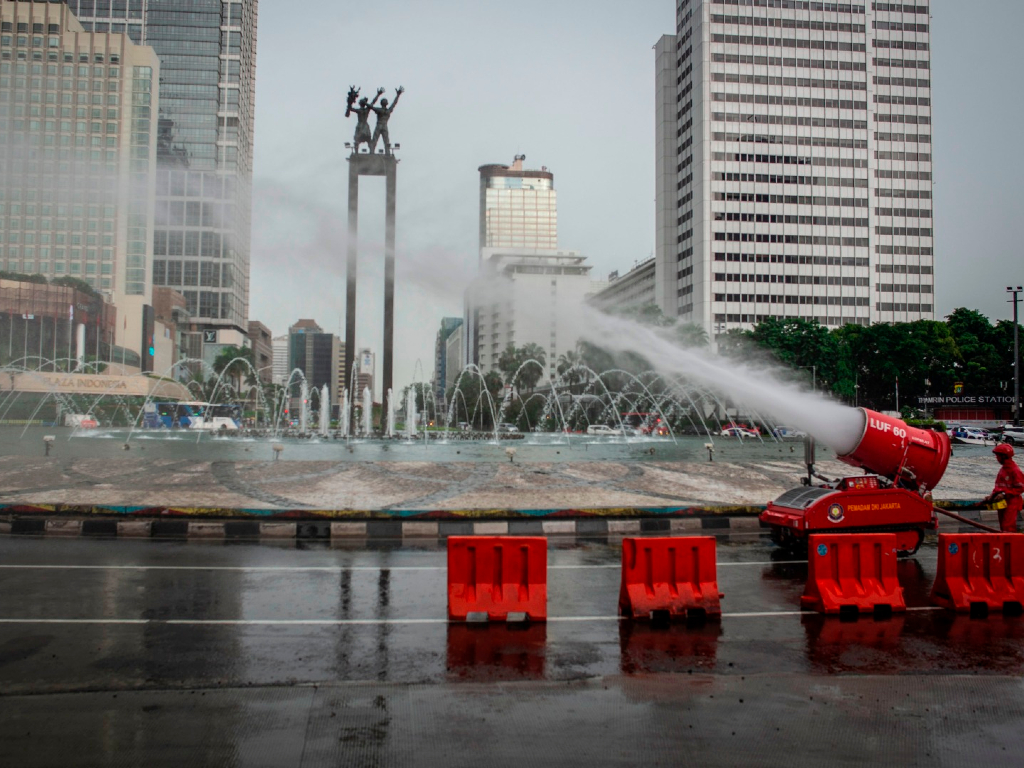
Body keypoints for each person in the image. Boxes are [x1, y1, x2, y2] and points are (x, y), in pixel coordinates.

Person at [985, 443, 1024, 532]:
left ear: (1003, 456)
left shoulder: (1015, 470)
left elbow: (1021, 488)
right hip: (1002, 502)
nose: (996, 458)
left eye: (998, 456)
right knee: (1002, 527)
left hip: (1012, 503)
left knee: (1008, 527)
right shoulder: (1003, 470)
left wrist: (1005, 494)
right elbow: (998, 486)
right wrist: (992, 495)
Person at [370, 86, 404, 154]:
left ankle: (372, 151)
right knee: (386, 140)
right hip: (385, 126)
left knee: (375, 139)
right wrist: (398, 95)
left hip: (379, 125)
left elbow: (370, 106)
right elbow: (394, 103)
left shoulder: (379, 110)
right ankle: (387, 152)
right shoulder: (388, 111)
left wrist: (378, 95)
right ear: (387, 103)